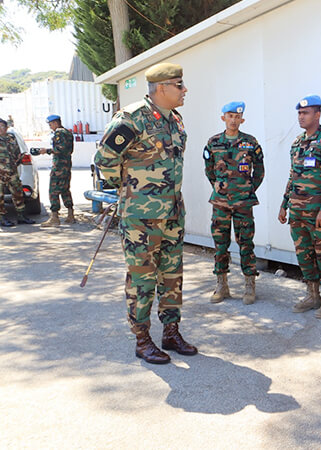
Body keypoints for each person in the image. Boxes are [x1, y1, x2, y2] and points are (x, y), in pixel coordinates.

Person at [95, 62, 197, 364]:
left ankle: (171, 331)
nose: (185, 89)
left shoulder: (175, 120)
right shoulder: (131, 118)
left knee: (171, 274)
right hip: (141, 217)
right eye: (179, 85)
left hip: (172, 212)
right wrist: (127, 189)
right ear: (162, 88)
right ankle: (142, 339)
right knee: (143, 278)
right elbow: (104, 158)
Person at [278, 95, 321, 319]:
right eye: (299, 113)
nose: (301, 117)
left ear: (317, 114)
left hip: (318, 211)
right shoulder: (297, 142)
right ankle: (313, 295)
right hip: (297, 210)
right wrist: (284, 204)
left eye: (305, 113)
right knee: (304, 253)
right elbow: (292, 176)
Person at [205, 101, 264, 305]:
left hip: (243, 203)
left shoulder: (250, 142)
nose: (234, 120)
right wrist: (221, 188)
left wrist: (247, 189)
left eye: (237, 116)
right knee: (220, 245)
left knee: (246, 243)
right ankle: (222, 285)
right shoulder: (213, 143)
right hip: (220, 202)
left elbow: (259, 170)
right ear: (223, 118)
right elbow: (209, 170)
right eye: (230, 116)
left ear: (242, 119)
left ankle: (249, 285)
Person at [38, 114, 75, 227]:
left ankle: (54, 217)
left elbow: (60, 148)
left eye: (50, 124)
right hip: (66, 166)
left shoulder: (59, 133)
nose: (50, 127)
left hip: (59, 166)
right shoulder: (68, 132)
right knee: (65, 190)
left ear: (55, 123)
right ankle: (70, 214)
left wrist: (46, 151)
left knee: (53, 191)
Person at [0, 118, 35, 226]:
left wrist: (19, 158)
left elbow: (17, 153)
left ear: (6, 128)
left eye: (2, 126)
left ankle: (21, 216)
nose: (0, 129)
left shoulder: (11, 138)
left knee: (18, 194)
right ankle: (2, 218)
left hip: (12, 172)